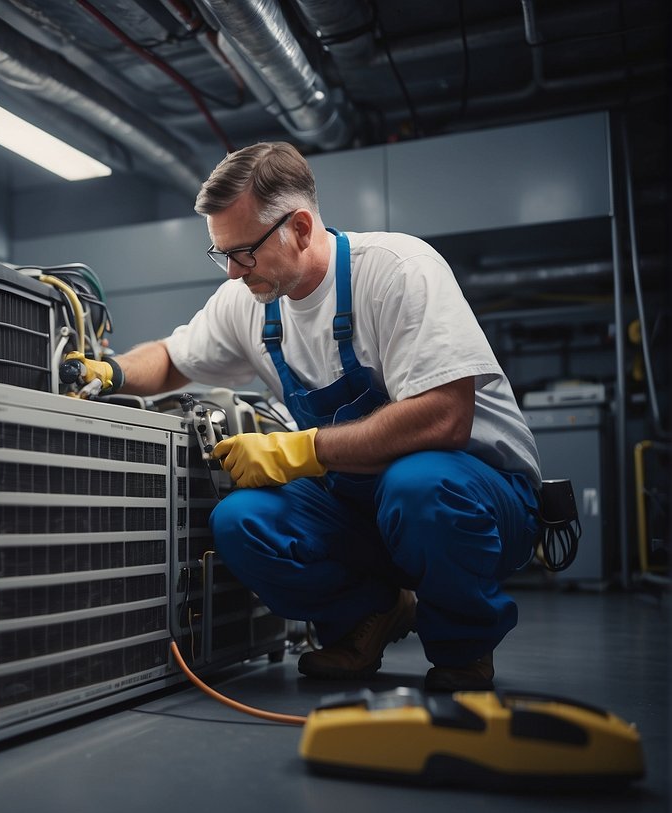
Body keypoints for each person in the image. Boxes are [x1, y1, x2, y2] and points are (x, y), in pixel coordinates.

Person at [65, 142, 541, 691]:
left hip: (480, 497)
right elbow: (174, 358)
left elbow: (445, 418)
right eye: (221, 254)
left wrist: (301, 450)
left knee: (419, 485)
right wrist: (108, 373)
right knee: (241, 521)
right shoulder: (249, 299)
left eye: (244, 252)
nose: (234, 272)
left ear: (301, 226)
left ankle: (462, 651)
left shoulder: (397, 271)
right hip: (359, 503)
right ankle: (366, 615)